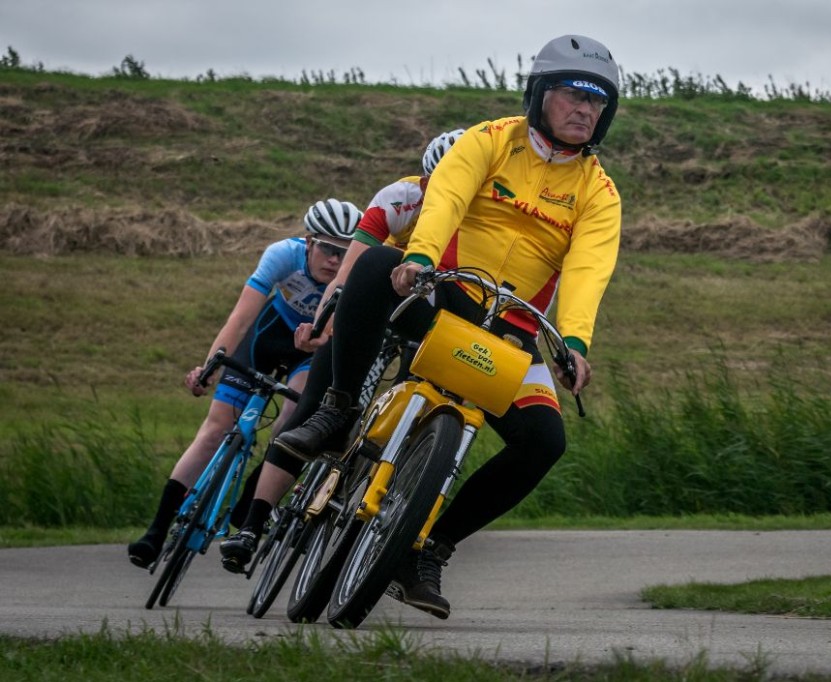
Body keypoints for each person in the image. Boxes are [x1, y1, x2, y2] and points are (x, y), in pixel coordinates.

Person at [272, 34, 622, 620]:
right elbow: (447, 197)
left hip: (511, 330)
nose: (586, 110)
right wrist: (422, 259)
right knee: (379, 263)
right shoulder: (490, 139)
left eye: (598, 103)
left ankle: (429, 551)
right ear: (539, 94)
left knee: (545, 442)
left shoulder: (599, 191)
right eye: (573, 95)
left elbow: (589, 266)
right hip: (442, 297)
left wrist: (575, 343)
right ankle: (336, 410)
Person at [218, 128, 466, 572]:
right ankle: (251, 526)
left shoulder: (488, 220)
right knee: (312, 405)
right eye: (436, 186)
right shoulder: (401, 196)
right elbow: (348, 270)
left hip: (426, 317)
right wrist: (323, 320)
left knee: (422, 396)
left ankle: (392, 486)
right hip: (372, 304)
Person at [127, 198, 363, 568]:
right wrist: (209, 368)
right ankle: (156, 532)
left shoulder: (350, 276)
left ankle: (253, 501)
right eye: (329, 249)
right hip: (266, 336)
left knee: (292, 420)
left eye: (344, 253)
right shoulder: (282, 255)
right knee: (215, 428)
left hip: (310, 350)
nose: (335, 260)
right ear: (308, 242)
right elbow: (240, 319)